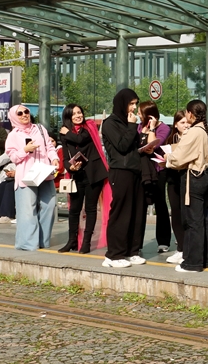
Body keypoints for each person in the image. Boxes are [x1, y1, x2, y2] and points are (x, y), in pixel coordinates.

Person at [166, 99, 208, 273]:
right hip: (207, 176)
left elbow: (179, 156)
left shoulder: (194, 132)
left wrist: (167, 158)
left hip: (193, 177)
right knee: (202, 220)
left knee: (192, 222)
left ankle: (192, 263)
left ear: (190, 113)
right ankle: (203, 259)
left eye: (187, 113)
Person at [101, 88, 146, 268]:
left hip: (135, 170)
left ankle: (131, 251)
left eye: (135, 104)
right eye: (131, 104)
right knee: (121, 212)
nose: (134, 108)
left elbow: (132, 145)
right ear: (122, 104)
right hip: (121, 171)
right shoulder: (110, 123)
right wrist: (131, 126)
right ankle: (113, 254)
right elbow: (121, 145)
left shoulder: (129, 122)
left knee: (137, 212)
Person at [5, 104, 59, 251]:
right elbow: (13, 157)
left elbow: (49, 147)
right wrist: (25, 150)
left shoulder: (40, 129)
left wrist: (54, 159)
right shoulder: (13, 135)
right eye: (20, 113)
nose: (24, 115)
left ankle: (42, 241)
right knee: (28, 210)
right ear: (14, 117)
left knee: (49, 206)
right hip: (26, 176)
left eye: (26, 111)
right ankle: (28, 244)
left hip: (44, 173)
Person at [58, 104, 107, 254]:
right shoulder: (65, 133)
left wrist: (66, 132)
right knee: (74, 209)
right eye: (74, 114)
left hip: (94, 174)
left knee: (91, 209)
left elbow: (81, 140)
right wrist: (69, 167)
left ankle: (86, 242)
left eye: (80, 112)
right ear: (68, 117)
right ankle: (71, 240)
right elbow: (66, 157)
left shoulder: (89, 127)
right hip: (77, 176)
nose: (78, 115)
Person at [137, 101, 174, 256]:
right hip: (143, 170)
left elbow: (152, 145)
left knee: (160, 204)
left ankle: (163, 240)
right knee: (141, 206)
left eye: (140, 113)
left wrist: (151, 128)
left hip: (158, 170)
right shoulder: (139, 126)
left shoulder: (164, 128)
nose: (138, 115)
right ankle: (137, 242)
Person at [163, 111, 190, 264]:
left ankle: (187, 248)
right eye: (182, 123)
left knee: (187, 214)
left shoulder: (192, 138)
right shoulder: (170, 139)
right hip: (173, 179)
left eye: (187, 122)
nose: (186, 125)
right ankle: (180, 247)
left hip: (187, 179)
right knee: (176, 213)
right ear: (175, 125)